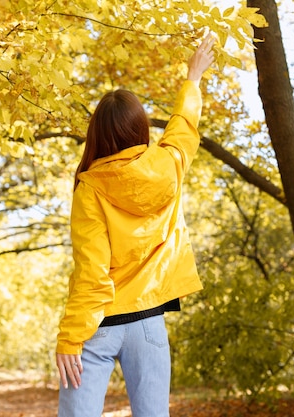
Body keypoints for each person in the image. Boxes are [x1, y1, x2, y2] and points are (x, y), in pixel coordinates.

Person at [55, 33, 216, 417]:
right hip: (148, 324)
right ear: (140, 128)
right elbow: (184, 125)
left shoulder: (90, 187)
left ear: (98, 135)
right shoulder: (168, 164)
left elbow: (93, 273)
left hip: (99, 327)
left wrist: (69, 336)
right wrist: (193, 78)